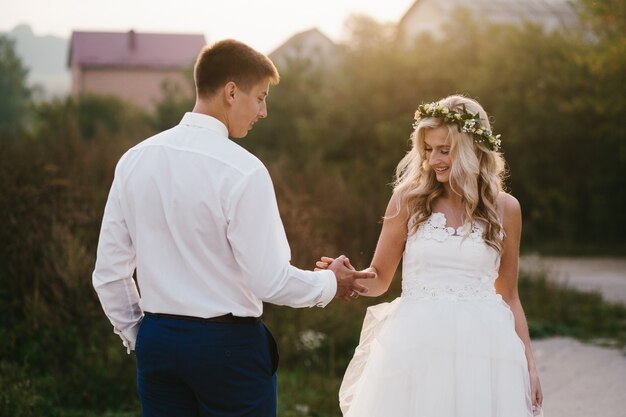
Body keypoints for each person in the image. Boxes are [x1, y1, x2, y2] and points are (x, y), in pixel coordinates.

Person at [92, 39, 374, 417]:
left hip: (158, 346)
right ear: (230, 92)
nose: (264, 112)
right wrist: (330, 283)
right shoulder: (243, 171)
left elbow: (109, 274)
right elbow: (269, 280)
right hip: (227, 350)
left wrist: (140, 337)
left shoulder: (135, 160)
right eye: (260, 97)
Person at [316, 95, 543, 417]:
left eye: (444, 150)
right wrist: (350, 279)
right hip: (416, 346)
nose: (433, 159)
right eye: (428, 149)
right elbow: (380, 279)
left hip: (484, 351)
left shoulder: (506, 208)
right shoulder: (408, 200)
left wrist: (529, 366)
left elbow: (509, 295)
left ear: (471, 149)